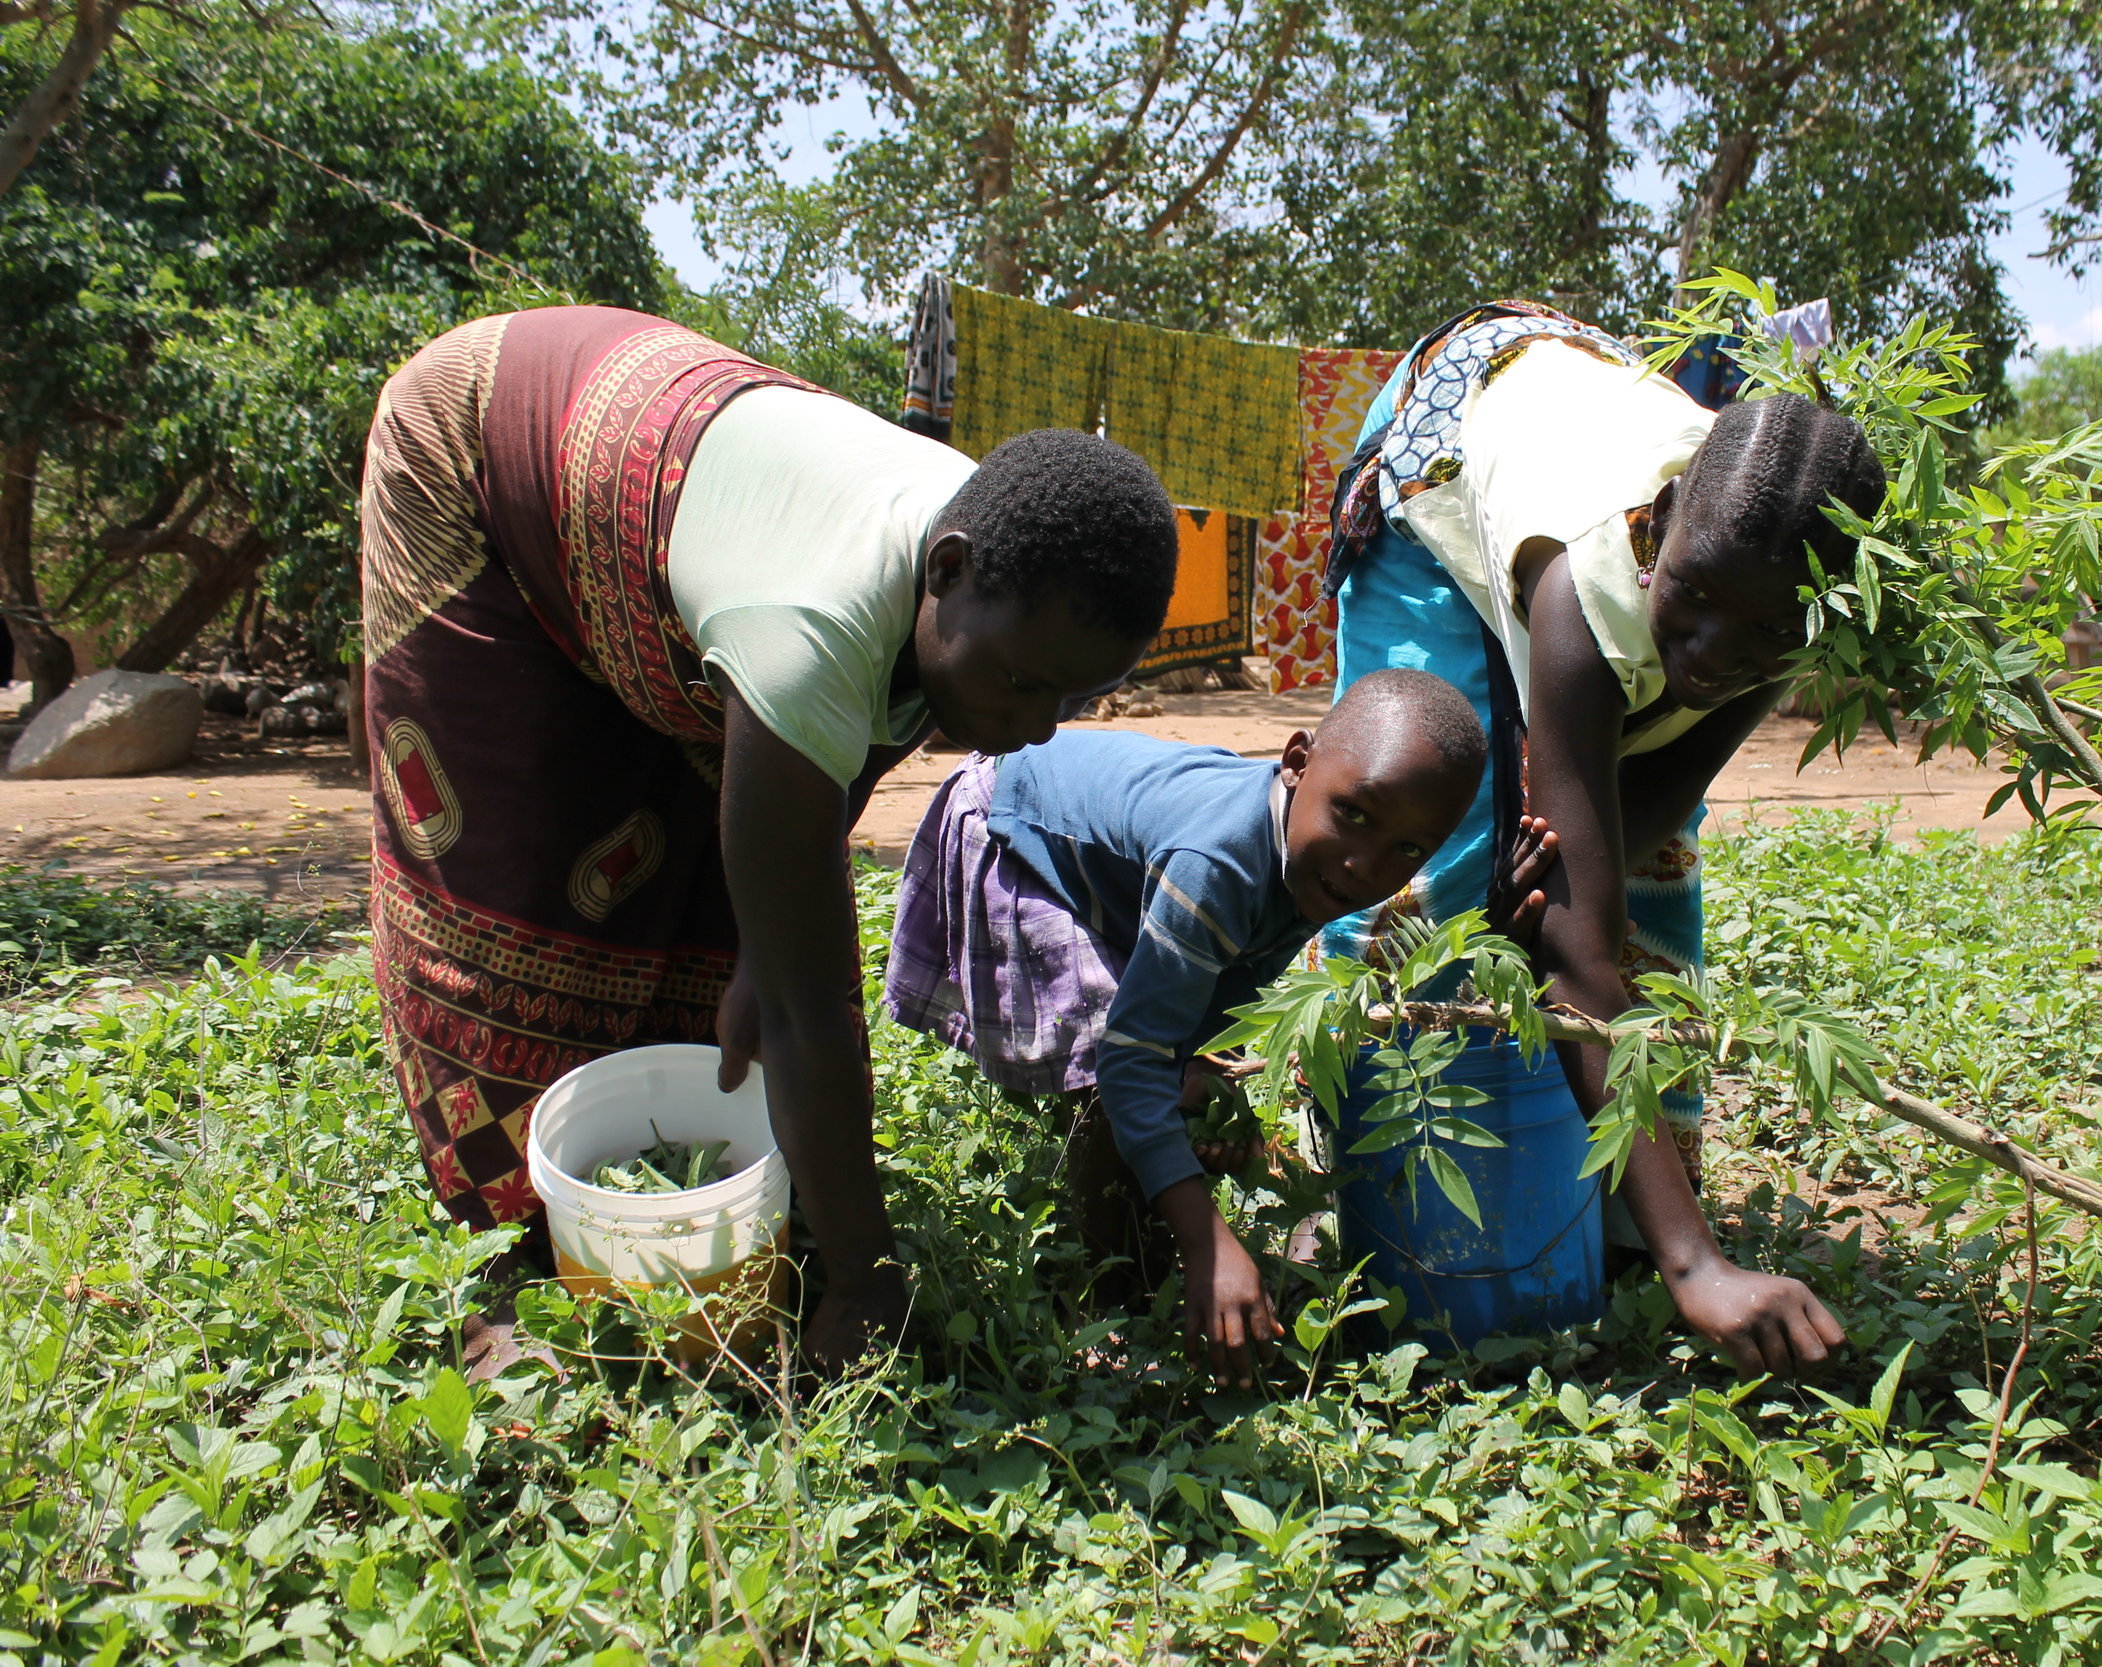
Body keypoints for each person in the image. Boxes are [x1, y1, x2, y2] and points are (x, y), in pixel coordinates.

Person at [358, 305, 1177, 1374]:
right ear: (946, 570)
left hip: (666, 486)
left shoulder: (1008, 572)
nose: (1031, 726)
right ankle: (522, 1253)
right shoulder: (813, 631)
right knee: (514, 855)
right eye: (1023, 685)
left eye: (1069, 700)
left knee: (733, 887)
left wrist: (760, 948)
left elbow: (862, 736)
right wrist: (866, 1274)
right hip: (475, 453)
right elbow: (804, 1007)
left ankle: (727, 1188)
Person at [1322, 300, 1885, 1376]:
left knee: (1637, 875)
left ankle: (1626, 1231)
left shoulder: (1786, 577)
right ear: (1662, 521)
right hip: (1443, 451)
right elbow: (1580, 961)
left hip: (1571, 429)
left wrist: (1577, 887)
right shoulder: (1591, 582)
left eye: (1769, 632)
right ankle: (1366, 1180)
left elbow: (1649, 810)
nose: (1715, 653)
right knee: (1430, 845)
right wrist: (1699, 1266)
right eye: (1697, 600)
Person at [884, 669, 1531, 1385]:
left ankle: (1143, 1245)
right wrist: (1208, 1242)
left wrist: (1193, 1057)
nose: (1366, 864)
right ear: (1297, 761)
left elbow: (1243, 964)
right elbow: (1131, 1061)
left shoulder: (1312, 854)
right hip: (1013, 830)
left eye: (1411, 849)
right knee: (1112, 1074)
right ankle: (1104, 1306)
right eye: (1355, 814)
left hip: (1110, 865)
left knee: (1171, 1075)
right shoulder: (1218, 862)